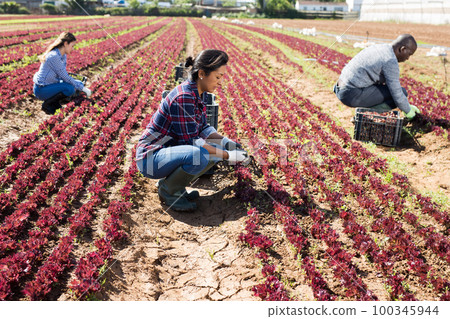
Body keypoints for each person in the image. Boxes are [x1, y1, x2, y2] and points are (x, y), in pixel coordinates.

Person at [136, 49, 248, 212]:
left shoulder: (197, 92)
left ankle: (177, 187)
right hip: (150, 158)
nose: (220, 82)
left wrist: (226, 143)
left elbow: (202, 127)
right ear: (202, 73)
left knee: (211, 151)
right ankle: (168, 191)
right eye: (218, 77)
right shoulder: (184, 97)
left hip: (167, 153)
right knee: (200, 155)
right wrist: (228, 155)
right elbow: (193, 141)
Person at [334, 34, 421, 120]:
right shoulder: (390, 60)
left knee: (393, 93)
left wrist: (406, 104)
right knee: (401, 93)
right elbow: (397, 93)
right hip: (350, 94)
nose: (408, 58)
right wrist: (408, 110)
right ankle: (364, 116)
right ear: (403, 49)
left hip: (340, 87)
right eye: (409, 54)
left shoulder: (381, 48)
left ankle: (364, 114)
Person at [33, 32, 92, 115]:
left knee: (75, 84)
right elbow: (65, 77)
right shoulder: (54, 56)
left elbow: (62, 75)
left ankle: (55, 103)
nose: (73, 48)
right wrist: (83, 88)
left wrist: (78, 83)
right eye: (72, 46)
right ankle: (47, 104)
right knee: (69, 88)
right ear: (65, 44)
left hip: (50, 84)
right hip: (42, 89)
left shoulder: (62, 55)